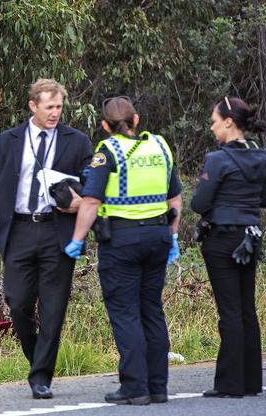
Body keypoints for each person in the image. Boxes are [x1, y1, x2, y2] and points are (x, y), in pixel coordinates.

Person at [0, 78, 93, 399]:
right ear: (33, 106)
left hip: (59, 229)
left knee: (54, 307)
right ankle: (37, 354)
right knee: (18, 302)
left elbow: (92, 184)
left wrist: (78, 199)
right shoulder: (7, 141)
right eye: (49, 107)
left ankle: (41, 376)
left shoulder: (78, 141)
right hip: (20, 231)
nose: (55, 113)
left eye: (59, 107)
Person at [65, 96, 182, 405]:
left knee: (126, 312)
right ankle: (158, 386)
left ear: (105, 126)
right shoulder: (159, 146)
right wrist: (173, 237)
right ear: (137, 119)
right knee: (152, 310)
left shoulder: (108, 152)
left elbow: (90, 202)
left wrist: (76, 241)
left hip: (122, 242)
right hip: (158, 237)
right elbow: (175, 199)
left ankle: (134, 387)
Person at [191, 96, 266, 398]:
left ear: (229, 122)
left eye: (214, 121)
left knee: (229, 311)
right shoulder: (262, 156)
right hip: (250, 237)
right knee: (246, 309)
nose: (212, 128)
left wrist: (221, 201)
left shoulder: (218, 160)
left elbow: (199, 203)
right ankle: (251, 381)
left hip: (222, 238)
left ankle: (229, 383)